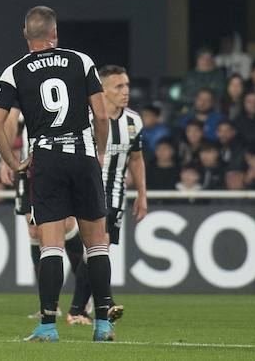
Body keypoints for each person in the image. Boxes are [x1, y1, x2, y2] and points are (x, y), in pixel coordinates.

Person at [0, 6, 119, 343]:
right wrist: (100, 153)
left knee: (51, 247)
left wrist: (13, 161)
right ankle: (102, 324)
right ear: (55, 33)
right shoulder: (81, 61)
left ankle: (48, 324)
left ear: (26, 34)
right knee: (97, 244)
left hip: (45, 161)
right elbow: (102, 116)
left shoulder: (14, 72)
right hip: (82, 155)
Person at [65, 66, 147, 323]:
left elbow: (136, 158)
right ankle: (94, 306)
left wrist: (142, 194)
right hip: (86, 190)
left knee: (97, 250)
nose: (126, 92)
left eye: (127, 86)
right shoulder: (86, 117)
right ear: (103, 90)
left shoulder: (134, 121)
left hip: (115, 194)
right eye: (118, 87)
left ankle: (84, 309)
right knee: (98, 247)